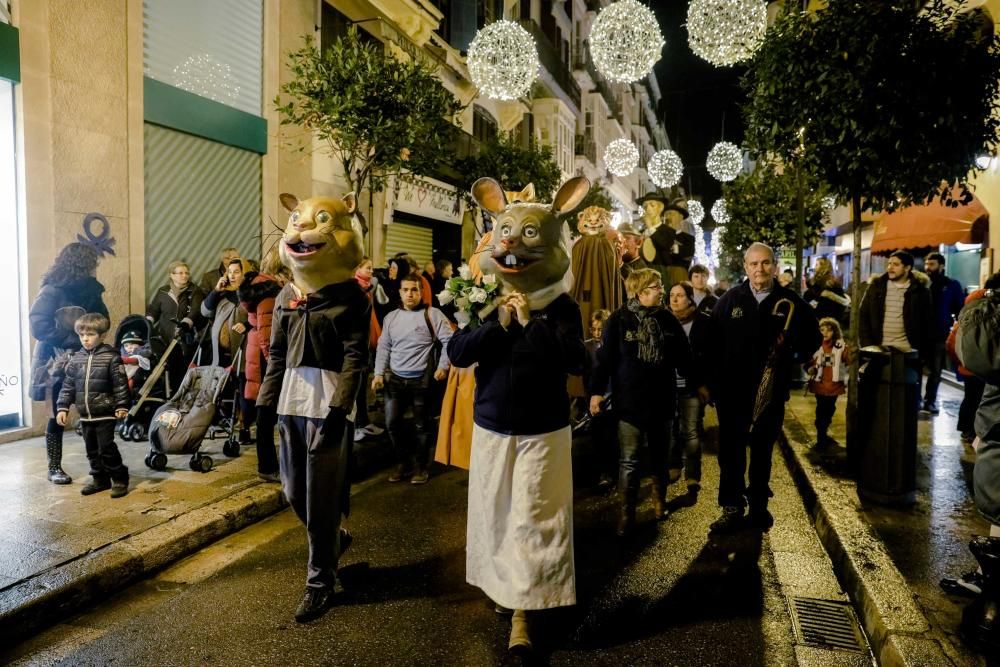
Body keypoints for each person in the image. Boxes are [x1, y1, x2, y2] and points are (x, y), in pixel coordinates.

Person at [257, 190, 370, 623]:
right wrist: (264, 408)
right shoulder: (287, 295)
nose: (302, 229)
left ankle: (318, 582)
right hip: (291, 401)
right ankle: (333, 539)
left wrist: (341, 410)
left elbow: (355, 358)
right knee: (293, 491)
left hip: (329, 406)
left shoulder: (351, 298)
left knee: (321, 497)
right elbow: (277, 357)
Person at [710, 243, 819, 533]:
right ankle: (731, 508)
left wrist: (792, 356)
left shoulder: (790, 301)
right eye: (754, 264)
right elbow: (711, 344)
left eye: (766, 263)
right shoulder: (729, 300)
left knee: (761, 453)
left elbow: (814, 337)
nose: (760, 269)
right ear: (745, 267)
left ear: (773, 265)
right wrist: (714, 385)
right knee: (731, 453)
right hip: (732, 394)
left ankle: (758, 507)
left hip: (770, 393)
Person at [590, 269, 692, 536]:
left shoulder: (668, 320)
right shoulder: (618, 321)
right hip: (630, 404)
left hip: (662, 402)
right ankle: (628, 513)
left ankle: (660, 502)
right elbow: (604, 360)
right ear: (641, 291)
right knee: (629, 461)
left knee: (660, 458)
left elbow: (685, 357)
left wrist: (698, 382)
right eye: (657, 286)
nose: (662, 290)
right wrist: (596, 392)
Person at [29, 242, 109, 485]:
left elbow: (104, 319)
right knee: (56, 414)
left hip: (85, 358)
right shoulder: (53, 290)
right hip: (55, 361)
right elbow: (38, 325)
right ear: (82, 263)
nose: (95, 267)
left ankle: (99, 465)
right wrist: (72, 339)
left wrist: (92, 336)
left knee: (91, 410)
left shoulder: (92, 290)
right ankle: (54, 467)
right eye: (92, 262)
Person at [373, 272, 454, 484]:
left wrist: (442, 366)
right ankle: (403, 463)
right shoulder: (391, 317)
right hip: (395, 380)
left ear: (421, 292)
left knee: (422, 426)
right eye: (406, 290)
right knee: (392, 424)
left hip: (422, 380)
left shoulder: (433, 314)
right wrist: (378, 374)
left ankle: (420, 466)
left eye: (414, 290)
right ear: (400, 292)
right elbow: (384, 347)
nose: (410, 294)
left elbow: (450, 342)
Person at [55, 313, 130, 497]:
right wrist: (62, 406)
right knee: (92, 450)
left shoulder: (111, 357)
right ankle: (100, 479)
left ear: (102, 335)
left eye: (91, 335)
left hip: (104, 411)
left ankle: (119, 478)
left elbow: (121, 384)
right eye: (82, 336)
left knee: (106, 448)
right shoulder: (76, 359)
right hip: (85, 414)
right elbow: (68, 385)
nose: (85, 339)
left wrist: (122, 405)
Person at [237, 252, 283, 481]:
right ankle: (267, 466)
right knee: (267, 411)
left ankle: (270, 464)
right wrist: (275, 363)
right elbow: (267, 333)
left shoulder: (262, 287)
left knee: (267, 410)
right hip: (267, 359)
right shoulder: (268, 291)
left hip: (261, 355)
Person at [666, 281, 713, 495]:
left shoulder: (703, 322)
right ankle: (674, 464)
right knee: (672, 430)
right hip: (668, 385)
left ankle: (693, 475)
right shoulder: (663, 321)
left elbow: (709, 356)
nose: (674, 299)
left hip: (693, 386)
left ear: (689, 298)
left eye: (680, 295)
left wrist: (705, 384)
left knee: (691, 432)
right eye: (672, 295)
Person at [858, 251, 934, 358]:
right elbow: (863, 316)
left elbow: (927, 322)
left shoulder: (920, 291)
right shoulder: (876, 287)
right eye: (889, 264)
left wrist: (922, 352)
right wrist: (867, 345)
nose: (890, 267)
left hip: (908, 351)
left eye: (896, 264)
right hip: (879, 349)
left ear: (907, 268)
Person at [146, 261, 205, 395]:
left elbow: (195, 311)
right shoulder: (163, 291)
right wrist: (148, 321)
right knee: (168, 370)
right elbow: (154, 310)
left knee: (184, 371)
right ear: (171, 275)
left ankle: (183, 396)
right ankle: (169, 396)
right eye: (180, 273)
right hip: (166, 339)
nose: (184, 276)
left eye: (186, 273)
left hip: (186, 340)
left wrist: (186, 323)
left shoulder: (195, 291)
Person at [922, 252, 965, 414]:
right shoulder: (921, 284)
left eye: (931, 264)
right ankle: (916, 400)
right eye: (927, 264)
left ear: (941, 266)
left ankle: (930, 401)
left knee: (936, 370)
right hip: (919, 334)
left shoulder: (951, 285)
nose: (928, 267)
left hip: (940, 335)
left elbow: (960, 308)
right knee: (917, 368)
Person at [354, 257, 387, 442]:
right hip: (360, 343)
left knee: (364, 385)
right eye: (368, 268)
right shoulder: (357, 289)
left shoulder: (367, 288)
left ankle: (363, 421)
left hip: (367, 342)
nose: (371, 271)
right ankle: (358, 424)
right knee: (358, 386)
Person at [583, 309, 616, 491]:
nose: (596, 333)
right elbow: (585, 375)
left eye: (600, 329)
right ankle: (601, 472)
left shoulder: (613, 346)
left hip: (613, 396)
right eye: (593, 329)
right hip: (595, 398)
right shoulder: (588, 348)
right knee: (597, 438)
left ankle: (611, 472)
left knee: (611, 436)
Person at [806, 317, 850, 448]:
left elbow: (849, 359)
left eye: (829, 330)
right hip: (820, 385)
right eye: (822, 330)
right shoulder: (817, 345)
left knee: (829, 409)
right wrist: (811, 368)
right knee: (821, 410)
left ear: (835, 332)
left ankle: (823, 433)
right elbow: (809, 362)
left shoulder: (840, 346)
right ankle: (821, 436)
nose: (825, 333)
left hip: (833, 385)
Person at [804, 257, 850, 327]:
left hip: (822, 319)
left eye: (817, 265)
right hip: (823, 318)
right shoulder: (825, 282)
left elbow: (820, 300)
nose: (814, 267)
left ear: (823, 266)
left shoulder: (827, 283)